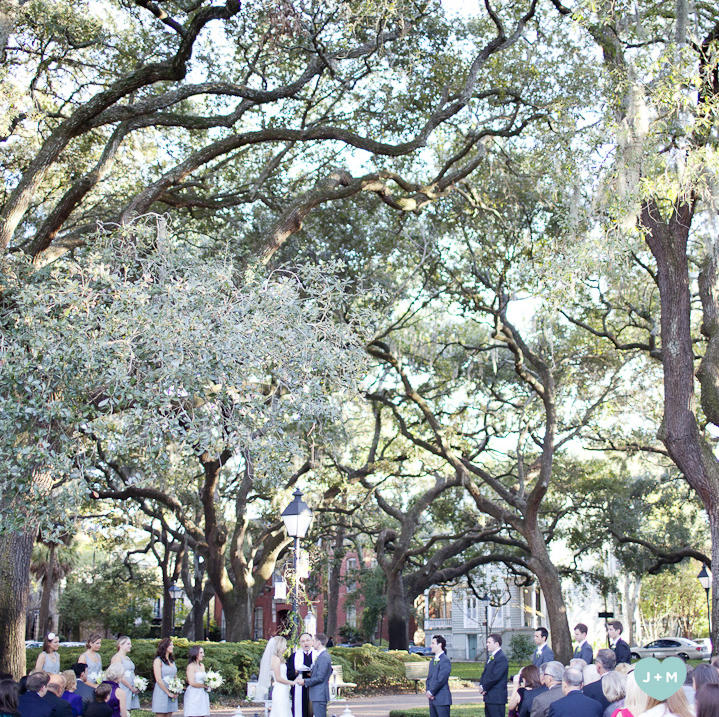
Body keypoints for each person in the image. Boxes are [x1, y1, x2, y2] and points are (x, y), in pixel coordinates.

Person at [295, 634, 332, 717]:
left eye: (314, 641)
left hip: (319, 694)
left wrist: (304, 681)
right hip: (318, 695)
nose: (312, 642)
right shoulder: (322, 656)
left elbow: (320, 678)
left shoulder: (324, 657)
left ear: (318, 643)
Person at [259, 636, 296, 717]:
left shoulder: (278, 658)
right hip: (280, 689)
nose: (286, 648)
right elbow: (278, 678)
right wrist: (292, 682)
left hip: (283, 689)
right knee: (281, 712)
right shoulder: (276, 659)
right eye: (284, 645)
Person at [479, 633, 509, 717]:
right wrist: (481, 684)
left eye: (489, 642)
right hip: (489, 697)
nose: (487, 644)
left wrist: (484, 687)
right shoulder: (491, 657)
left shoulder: (501, 658)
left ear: (496, 644)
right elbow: (485, 673)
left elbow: (496, 676)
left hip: (497, 698)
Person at [286, 633, 314, 717]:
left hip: (314, 686)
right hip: (300, 688)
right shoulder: (294, 657)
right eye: (303, 641)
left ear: (312, 641)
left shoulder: (318, 654)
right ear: (300, 644)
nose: (306, 643)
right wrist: (296, 672)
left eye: (307, 640)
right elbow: (289, 674)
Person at [425, 635, 452, 717]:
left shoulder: (445, 660)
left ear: (439, 645)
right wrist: (428, 691)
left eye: (433, 643)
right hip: (432, 699)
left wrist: (431, 692)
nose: (430, 645)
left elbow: (441, 679)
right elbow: (429, 678)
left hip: (442, 699)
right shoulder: (432, 660)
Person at [109, 639, 139, 712]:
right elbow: (119, 675)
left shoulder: (127, 658)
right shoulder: (117, 658)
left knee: (129, 710)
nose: (130, 646)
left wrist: (137, 683)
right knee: (122, 710)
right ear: (121, 645)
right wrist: (131, 687)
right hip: (123, 686)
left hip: (130, 687)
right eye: (128, 644)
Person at [151, 638, 178, 717]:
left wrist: (176, 690)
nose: (172, 647)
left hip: (171, 690)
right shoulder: (158, 660)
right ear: (164, 647)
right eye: (170, 645)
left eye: (172, 645)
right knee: (161, 714)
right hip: (161, 691)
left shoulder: (172, 661)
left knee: (169, 714)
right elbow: (158, 679)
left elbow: (175, 677)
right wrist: (168, 692)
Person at [184, 646, 209, 717]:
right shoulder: (191, 666)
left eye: (203, 653)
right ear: (195, 653)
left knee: (202, 714)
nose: (203, 655)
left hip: (202, 694)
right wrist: (204, 686)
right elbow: (191, 682)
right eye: (201, 652)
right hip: (194, 694)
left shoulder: (202, 666)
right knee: (194, 714)